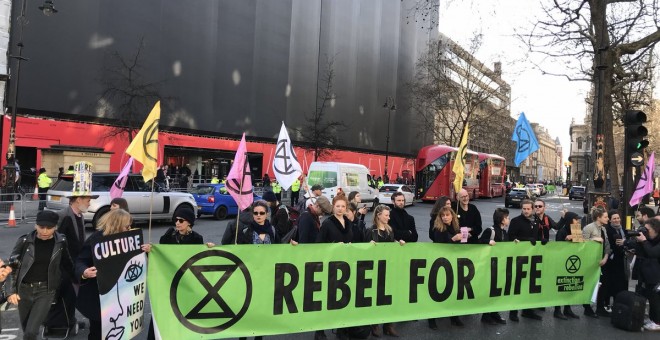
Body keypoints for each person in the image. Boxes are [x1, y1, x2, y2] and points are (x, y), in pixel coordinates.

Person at [6, 211, 73, 340]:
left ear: (55, 227)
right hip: (24, 291)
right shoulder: (24, 241)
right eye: (41, 227)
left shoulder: (61, 242)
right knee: (27, 329)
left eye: (49, 228)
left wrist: (81, 279)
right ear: (36, 226)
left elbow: (67, 264)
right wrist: (11, 292)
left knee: (31, 331)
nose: (45, 231)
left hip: (46, 290)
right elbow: (12, 267)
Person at [76, 209, 133, 339]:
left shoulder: (127, 238)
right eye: (127, 226)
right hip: (98, 295)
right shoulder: (97, 239)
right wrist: (84, 272)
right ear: (117, 224)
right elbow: (80, 261)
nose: (129, 229)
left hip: (118, 294)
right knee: (98, 330)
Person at [314, 193, 352, 340]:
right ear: (333, 207)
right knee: (327, 300)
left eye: (343, 206)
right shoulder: (328, 223)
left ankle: (341, 329)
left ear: (346, 207)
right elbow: (319, 245)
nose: (340, 209)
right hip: (330, 267)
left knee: (343, 300)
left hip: (346, 267)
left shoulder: (348, 223)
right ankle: (320, 331)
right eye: (337, 206)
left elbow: (356, 240)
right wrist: (333, 247)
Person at [368, 204, 404, 337]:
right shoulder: (371, 230)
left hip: (389, 267)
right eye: (386, 215)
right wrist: (369, 245)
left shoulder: (389, 229)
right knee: (376, 297)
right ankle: (375, 324)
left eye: (389, 215)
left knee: (389, 297)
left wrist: (397, 242)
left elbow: (391, 242)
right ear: (378, 215)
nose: (389, 218)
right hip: (376, 269)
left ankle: (388, 325)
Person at [507, 200, 543, 321]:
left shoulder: (536, 221)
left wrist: (542, 240)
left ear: (532, 209)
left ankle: (527, 310)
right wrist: (526, 239)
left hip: (532, 257)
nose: (526, 211)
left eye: (528, 209)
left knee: (530, 284)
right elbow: (510, 237)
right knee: (517, 285)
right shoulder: (516, 221)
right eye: (524, 209)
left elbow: (537, 237)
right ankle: (513, 312)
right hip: (519, 257)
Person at [428, 206, 464, 328]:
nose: (445, 217)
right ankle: (431, 319)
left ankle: (454, 317)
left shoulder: (455, 227)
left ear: (452, 216)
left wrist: (464, 237)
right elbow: (441, 247)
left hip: (453, 262)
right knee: (438, 291)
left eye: (447, 215)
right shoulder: (439, 229)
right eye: (442, 215)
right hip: (441, 263)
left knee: (453, 291)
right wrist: (453, 239)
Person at [478, 208, 509, 325]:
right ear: (502, 220)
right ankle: (486, 315)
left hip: (500, 267)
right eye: (507, 217)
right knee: (489, 290)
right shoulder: (491, 231)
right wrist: (487, 241)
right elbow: (478, 241)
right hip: (489, 267)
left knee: (497, 291)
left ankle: (494, 312)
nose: (508, 220)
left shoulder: (505, 233)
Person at [631, 218, 660, 331]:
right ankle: (653, 319)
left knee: (656, 299)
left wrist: (644, 241)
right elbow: (641, 252)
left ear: (655, 229)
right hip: (649, 275)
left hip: (657, 276)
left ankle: (657, 322)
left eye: (647, 230)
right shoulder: (650, 239)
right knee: (650, 297)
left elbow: (652, 253)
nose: (645, 232)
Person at [582, 206, 611, 318]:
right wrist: (593, 239)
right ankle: (587, 307)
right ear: (598, 217)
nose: (607, 219)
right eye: (605, 217)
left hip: (601, 261)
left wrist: (605, 257)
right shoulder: (588, 228)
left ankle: (599, 307)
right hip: (590, 262)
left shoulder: (603, 229)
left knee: (601, 285)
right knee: (590, 284)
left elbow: (607, 244)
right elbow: (581, 243)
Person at [553, 210, 581, 320]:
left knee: (570, 286)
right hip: (562, 263)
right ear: (570, 220)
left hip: (572, 261)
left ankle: (567, 308)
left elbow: (580, 243)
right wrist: (566, 240)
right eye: (575, 219)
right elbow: (558, 248)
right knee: (561, 287)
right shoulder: (562, 231)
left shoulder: (576, 230)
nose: (578, 221)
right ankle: (557, 310)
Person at [604, 210, 629, 310]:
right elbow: (612, 245)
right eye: (614, 218)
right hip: (611, 261)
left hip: (621, 260)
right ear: (610, 220)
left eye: (618, 218)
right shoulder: (608, 230)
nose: (617, 220)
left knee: (620, 283)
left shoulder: (623, 229)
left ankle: (617, 303)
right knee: (610, 283)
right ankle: (606, 304)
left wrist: (625, 244)